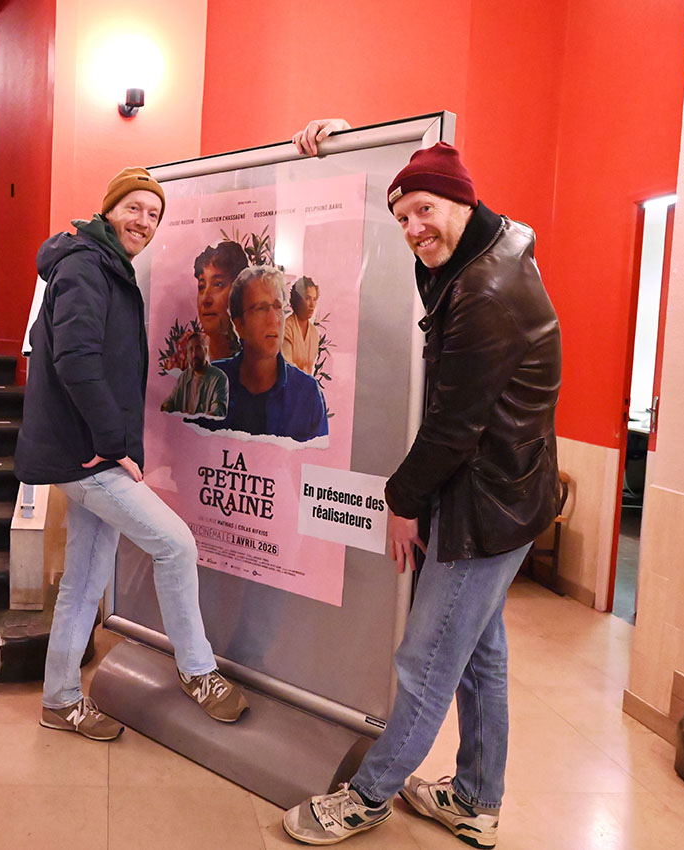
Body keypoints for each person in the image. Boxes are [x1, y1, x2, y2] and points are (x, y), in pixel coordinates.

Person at [281, 133, 561, 848]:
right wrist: (348, 139)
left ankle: (369, 796)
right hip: (506, 492)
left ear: (463, 202)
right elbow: (431, 170)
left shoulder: (488, 291)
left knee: (428, 659)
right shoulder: (475, 253)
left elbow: (453, 428)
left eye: (425, 211)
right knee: (480, 656)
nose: (413, 229)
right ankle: (475, 799)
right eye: (402, 217)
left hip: (486, 507)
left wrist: (402, 503)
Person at [15, 166, 250, 741]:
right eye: (134, 208)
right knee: (176, 545)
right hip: (88, 456)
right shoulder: (85, 266)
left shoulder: (103, 265)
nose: (143, 221)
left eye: (153, 213)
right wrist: (111, 442)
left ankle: (59, 700)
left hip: (84, 451)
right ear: (109, 208)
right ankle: (198, 671)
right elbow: (75, 360)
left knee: (84, 581)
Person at [205, 266, 328, 442]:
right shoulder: (209, 384)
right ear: (239, 325)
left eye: (278, 307)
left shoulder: (307, 394)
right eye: (261, 308)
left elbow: (316, 457)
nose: (273, 319)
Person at [194, 240, 248, 359]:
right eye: (201, 287)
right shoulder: (188, 350)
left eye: (218, 285)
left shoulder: (257, 356)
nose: (206, 300)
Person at [161, 330, 228, 418]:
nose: (194, 354)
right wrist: (165, 407)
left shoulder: (219, 378)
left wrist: (206, 417)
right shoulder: (184, 377)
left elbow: (218, 408)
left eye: (198, 348)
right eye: (190, 349)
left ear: (205, 351)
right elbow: (171, 401)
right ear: (187, 355)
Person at [282, 276, 320, 374]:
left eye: (314, 299)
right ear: (298, 300)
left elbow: (310, 369)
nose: (312, 305)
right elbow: (287, 368)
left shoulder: (314, 333)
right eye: (307, 298)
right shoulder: (286, 328)